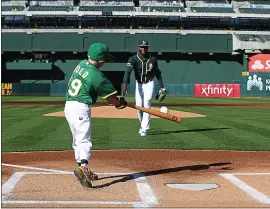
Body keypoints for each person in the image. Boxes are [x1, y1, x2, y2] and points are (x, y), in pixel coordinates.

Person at [64, 42, 127, 188]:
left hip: (68, 106)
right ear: (100, 60)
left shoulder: (81, 64)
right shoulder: (97, 75)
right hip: (80, 107)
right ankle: (83, 168)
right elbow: (111, 99)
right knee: (85, 141)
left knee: (77, 141)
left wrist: (116, 101)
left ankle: (83, 168)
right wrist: (118, 103)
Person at [121, 40, 167, 137]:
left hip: (150, 83)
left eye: (145, 47)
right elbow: (127, 72)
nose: (143, 48)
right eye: (142, 47)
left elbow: (158, 74)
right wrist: (124, 84)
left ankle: (144, 129)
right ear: (139, 47)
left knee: (147, 104)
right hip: (139, 84)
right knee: (138, 107)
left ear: (148, 48)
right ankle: (143, 124)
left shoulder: (153, 59)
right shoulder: (133, 59)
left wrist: (162, 87)